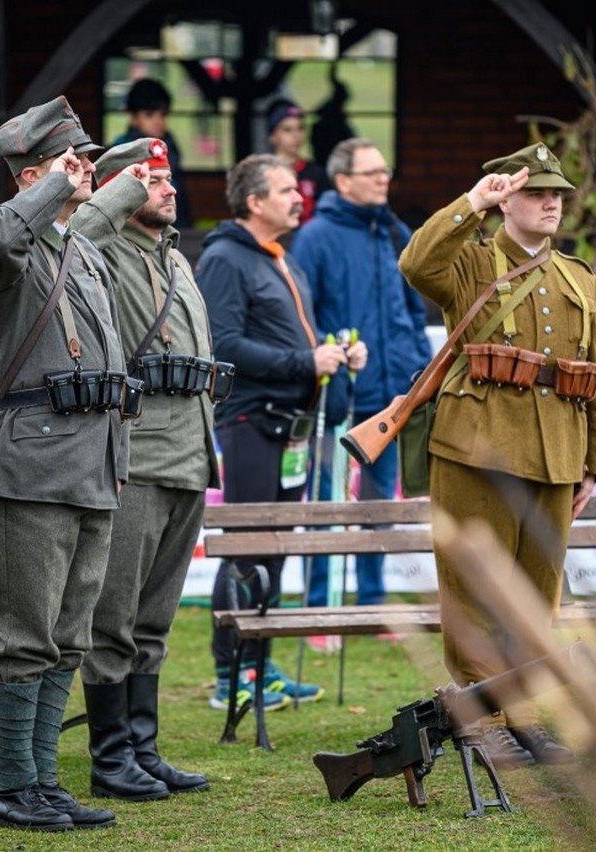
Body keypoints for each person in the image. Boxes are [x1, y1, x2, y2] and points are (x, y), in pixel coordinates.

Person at [398, 142, 596, 770]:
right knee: (475, 591)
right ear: (506, 198)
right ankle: (481, 721)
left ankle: (526, 718)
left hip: (557, 453)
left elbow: (588, 372)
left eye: (558, 195)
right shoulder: (469, 264)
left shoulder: (578, 276)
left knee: (536, 595)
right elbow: (416, 262)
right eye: (537, 193)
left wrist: (593, 460)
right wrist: (471, 203)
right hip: (476, 449)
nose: (551, 203)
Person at [0, 95, 125, 832]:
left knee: (68, 633)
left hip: (92, 462)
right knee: (23, 629)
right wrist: (51, 189)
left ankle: (45, 782)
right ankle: (13, 787)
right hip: (31, 464)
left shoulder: (79, 251)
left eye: (84, 161)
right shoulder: (6, 247)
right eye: (68, 162)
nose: (83, 170)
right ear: (32, 176)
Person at [71, 137, 218, 798]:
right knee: (114, 617)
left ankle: (143, 747)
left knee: (155, 617)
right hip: (136, 457)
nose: (166, 188)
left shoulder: (177, 260)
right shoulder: (100, 253)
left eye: (165, 178)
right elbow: (79, 231)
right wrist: (116, 191)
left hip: (188, 455)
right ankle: (109, 758)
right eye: (148, 180)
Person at [195, 153, 368, 712]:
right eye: (288, 190)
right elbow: (222, 346)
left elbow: (301, 343)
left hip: (291, 428)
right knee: (247, 550)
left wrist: (337, 354)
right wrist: (305, 362)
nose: (300, 198)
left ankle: (261, 670)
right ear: (254, 201)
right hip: (249, 422)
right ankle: (230, 678)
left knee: (274, 552)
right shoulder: (224, 258)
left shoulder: (282, 261)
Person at [289, 137, 432, 643]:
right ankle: (318, 613)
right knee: (328, 504)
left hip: (393, 396)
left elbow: (414, 311)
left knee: (379, 506)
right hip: (339, 394)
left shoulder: (393, 232)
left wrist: (417, 369)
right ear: (343, 180)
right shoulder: (315, 237)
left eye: (385, 170)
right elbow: (304, 316)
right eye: (371, 172)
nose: (383, 179)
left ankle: (372, 604)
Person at [114, 78, 192, 228]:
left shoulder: (170, 146)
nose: (158, 120)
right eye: (149, 114)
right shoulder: (122, 150)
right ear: (133, 117)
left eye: (163, 114)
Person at [266, 99, 331, 224]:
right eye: (287, 130)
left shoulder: (317, 173)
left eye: (300, 128)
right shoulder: (263, 173)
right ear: (272, 136)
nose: (296, 135)